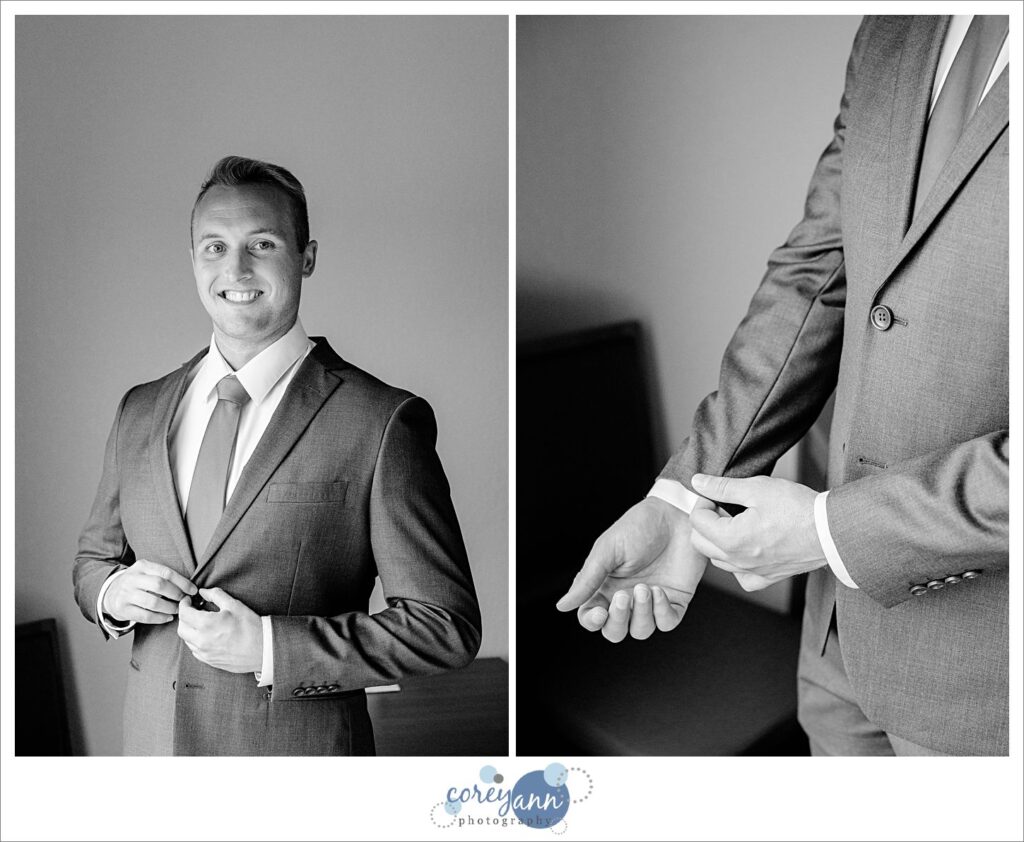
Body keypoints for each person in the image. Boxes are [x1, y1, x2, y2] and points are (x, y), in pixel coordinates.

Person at [557, 15, 1008, 756]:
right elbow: (818, 273)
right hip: (836, 648)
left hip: (990, 692)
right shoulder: (893, 29)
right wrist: (686, 498)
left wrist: (831, 534)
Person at [73, 155, 481, 755]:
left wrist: (268, 646)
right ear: (192, 260)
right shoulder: (139, 409)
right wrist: (112, 594)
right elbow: (92, 562)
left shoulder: (382, 422)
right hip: (150, 761)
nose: (234, 267)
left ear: (306, 257)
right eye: (213, 246)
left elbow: (445, 626)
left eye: (260, 243)